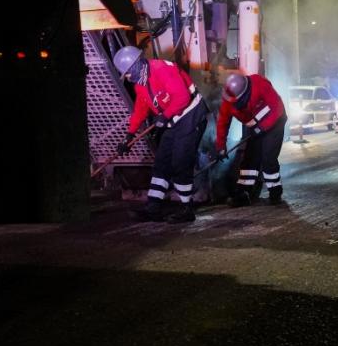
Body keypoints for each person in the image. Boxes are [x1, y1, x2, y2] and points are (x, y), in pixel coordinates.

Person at [113, 46, 207, 223]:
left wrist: (164, 116)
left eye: (126, 73)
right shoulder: (140, 83)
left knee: (180, 161)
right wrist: (129, 135)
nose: (126, 77)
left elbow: (182, 98)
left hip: (191, 115)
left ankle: (187, 209)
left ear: (135, 66)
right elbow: (141, 110)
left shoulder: (162, 70)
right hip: (174, 118)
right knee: (162, 162)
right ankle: (153, 208)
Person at [215, 72, 287, 206]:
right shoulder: (229, 99)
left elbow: (276, 106)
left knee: (268, 158)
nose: (234, 105)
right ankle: (243, 193)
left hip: (275, 123)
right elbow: (223, 122)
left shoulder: (260, 84)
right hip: (255, 128)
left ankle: (275, 192)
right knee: (250, 158)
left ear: (244, 95)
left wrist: (263, 127)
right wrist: (220, 146)